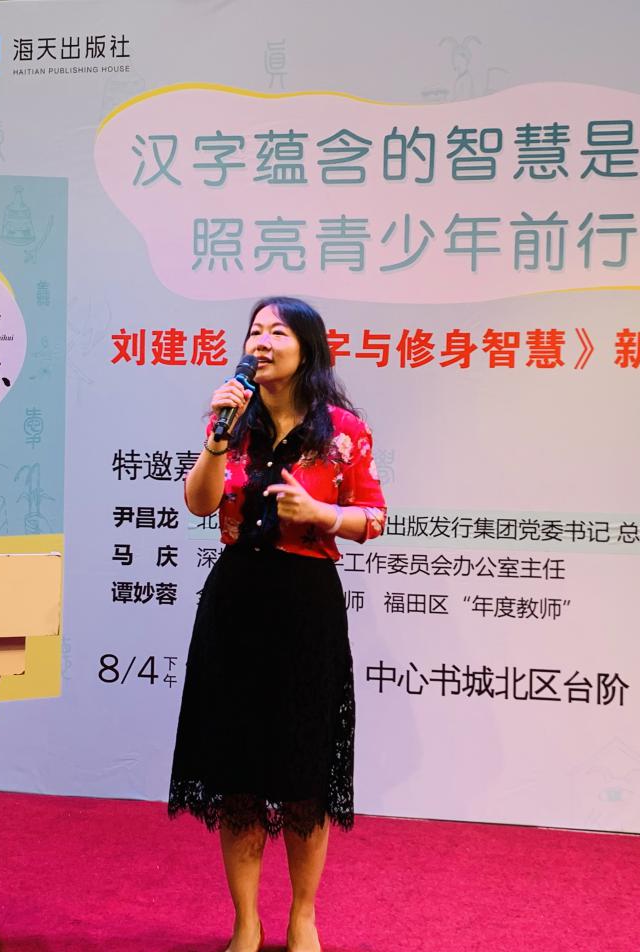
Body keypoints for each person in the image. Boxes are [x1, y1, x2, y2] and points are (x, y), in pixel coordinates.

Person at [169, 296, 386, 952]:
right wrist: (216, 438)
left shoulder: (342, 430)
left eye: (277, 331)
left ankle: (302, 917)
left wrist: (321, 514)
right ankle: (245, 921)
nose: (261, 341)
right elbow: (199, 503)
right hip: (237, 602)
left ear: (306, 347)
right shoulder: (231, 420)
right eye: (254, 331)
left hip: (305, 607)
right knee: (238, 774)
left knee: (302, 772)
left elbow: (373, 517)